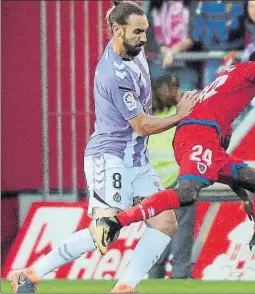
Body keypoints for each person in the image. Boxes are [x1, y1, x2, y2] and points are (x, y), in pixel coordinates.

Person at [9, 1, 197, 293]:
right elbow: (142, 126)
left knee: (165, 222)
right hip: (110, 158)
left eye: (146, 31)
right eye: (137, 32)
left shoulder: (133, 47)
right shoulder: (114, 74)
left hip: (137, 160)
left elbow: (125, 11)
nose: (144, 38)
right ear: (116, 31)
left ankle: (125, 286)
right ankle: (32, 273)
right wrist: (181, 116)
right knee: (106, 233)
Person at [94, 46, 255, 266]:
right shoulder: (249, 71)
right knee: (186, 193)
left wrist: (243, 195)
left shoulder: (229, 90)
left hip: (200, 136)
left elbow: (218, 158)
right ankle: (115, 222)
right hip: (199, 133)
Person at [147, 75, 196, 279]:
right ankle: (180, 274)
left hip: (153, 185)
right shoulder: (180, 117)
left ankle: (154, 275)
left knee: (158, 232)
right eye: (177, 88)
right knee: (182, 230)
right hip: (179, 181)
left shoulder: (149, 120)